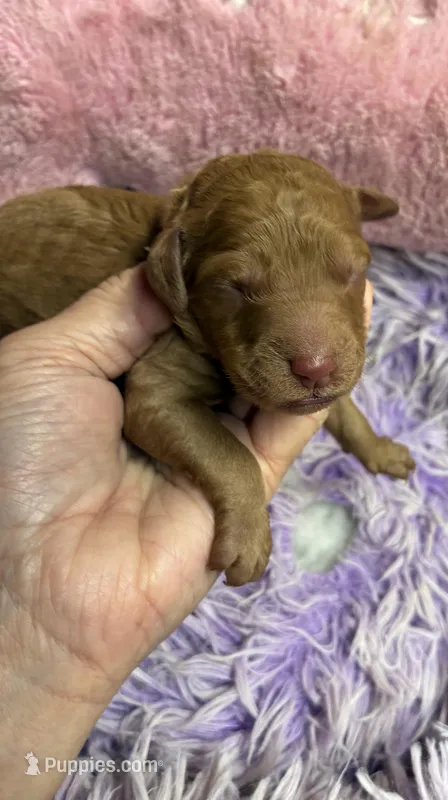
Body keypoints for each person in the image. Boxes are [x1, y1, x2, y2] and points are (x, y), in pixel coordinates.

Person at [0, 266, 373, 798]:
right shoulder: (163, 307)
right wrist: (240, 490)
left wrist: (369, 444)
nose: (316, 358)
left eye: (345, 275)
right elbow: (154, 400)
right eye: (240, 286)